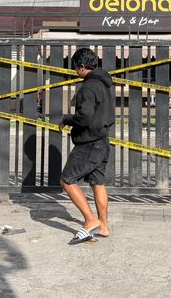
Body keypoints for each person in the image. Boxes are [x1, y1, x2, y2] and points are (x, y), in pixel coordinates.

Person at [58, 47, 115, 244]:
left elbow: (84, 116)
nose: (75, 71)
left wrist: (67, 119)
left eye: (75, 67)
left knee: (66, 180)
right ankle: (104, 227)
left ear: (82, 66)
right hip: (102, 141)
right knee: (97, 183)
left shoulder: (88, 87)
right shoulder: (105, 84)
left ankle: (90, 220)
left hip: (89, 143)